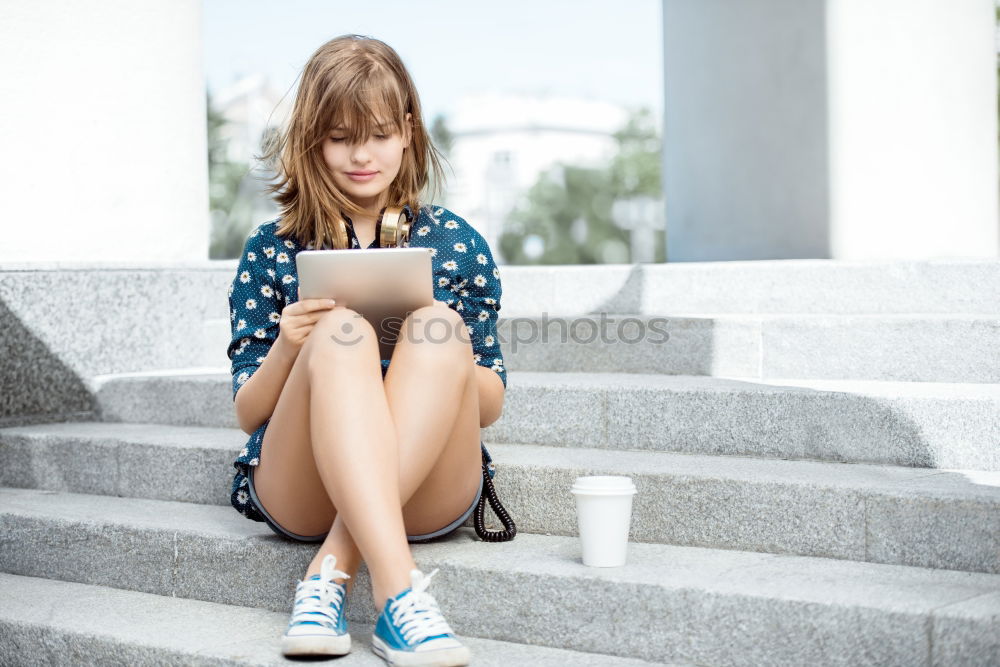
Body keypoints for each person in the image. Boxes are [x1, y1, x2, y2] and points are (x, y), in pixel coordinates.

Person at [224, 34, 506, 666]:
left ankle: (330, 572)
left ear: (407, 132)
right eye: (340, 137)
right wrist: (289, 348)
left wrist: (443, 337)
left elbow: (489, 404)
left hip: (429, 485)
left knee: (436, 327)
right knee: (338, 332)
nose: (361, 155)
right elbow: (249, 413)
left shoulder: (455, 242)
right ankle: (402, 599)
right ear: (312, 140)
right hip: (302, 485)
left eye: (378, 134)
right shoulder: (273, 247)